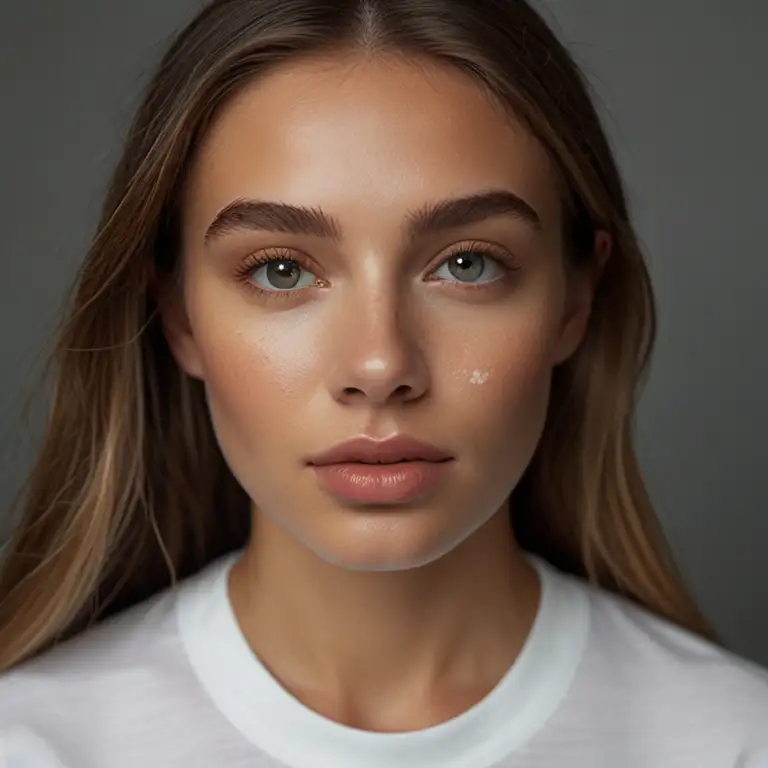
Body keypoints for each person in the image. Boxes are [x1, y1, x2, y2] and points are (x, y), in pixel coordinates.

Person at [0, 0, 766, 765]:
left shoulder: (733, 740)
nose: (379, 365)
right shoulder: (32, 746)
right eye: (281, 270)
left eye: (467, 264)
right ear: (179, 315)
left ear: (575, 299)